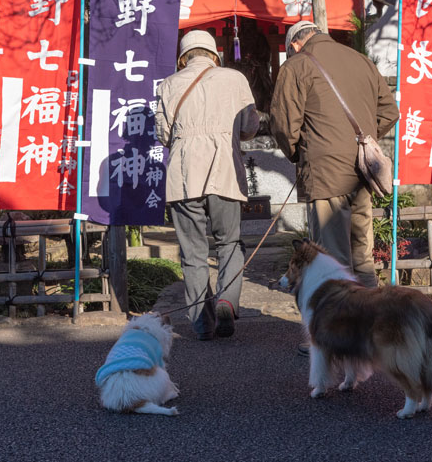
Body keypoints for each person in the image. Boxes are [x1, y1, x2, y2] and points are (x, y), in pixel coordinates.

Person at [271, 20, 399, 291]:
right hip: (363, 171)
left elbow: (283, 125)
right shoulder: (361, 60)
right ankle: (371, 317)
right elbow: (390, 112)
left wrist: (299, 153)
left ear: (295, 44)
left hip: (325, 172)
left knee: (332, 256)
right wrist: (363, 141)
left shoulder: (296, 65)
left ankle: (342, 324)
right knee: (362, 255)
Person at [155, 30, 260, 341]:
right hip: (224, 171)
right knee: (229, 243)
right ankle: (227, 300)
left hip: (183, 175)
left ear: (184, 57)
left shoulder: (169, 84)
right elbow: (250, 125)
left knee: (193, 253)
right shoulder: (234, 79)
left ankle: (203, 323)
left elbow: (163, 133)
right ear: (214, 54)